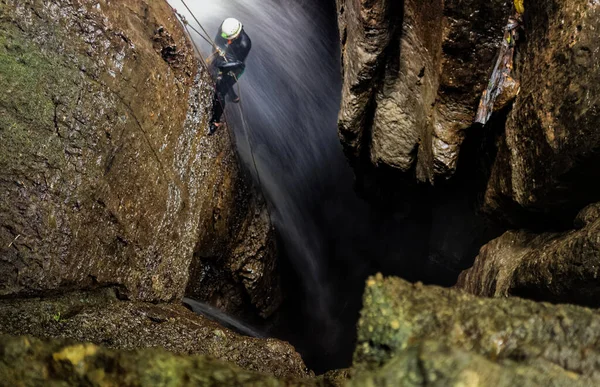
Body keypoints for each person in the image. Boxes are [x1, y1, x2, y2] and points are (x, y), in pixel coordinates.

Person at [208, 18, 252, 135]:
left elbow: (237, 64)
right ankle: (233, 97)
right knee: (223, 79)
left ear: (236, 35)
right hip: (226, 56)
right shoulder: (225, 27)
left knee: (220, 90)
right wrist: (217, 54)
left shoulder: (245, 44)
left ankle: (216, 121)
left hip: (236, 66)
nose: (228, 41)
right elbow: (217, 41)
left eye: (230, 39)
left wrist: (219, 63)